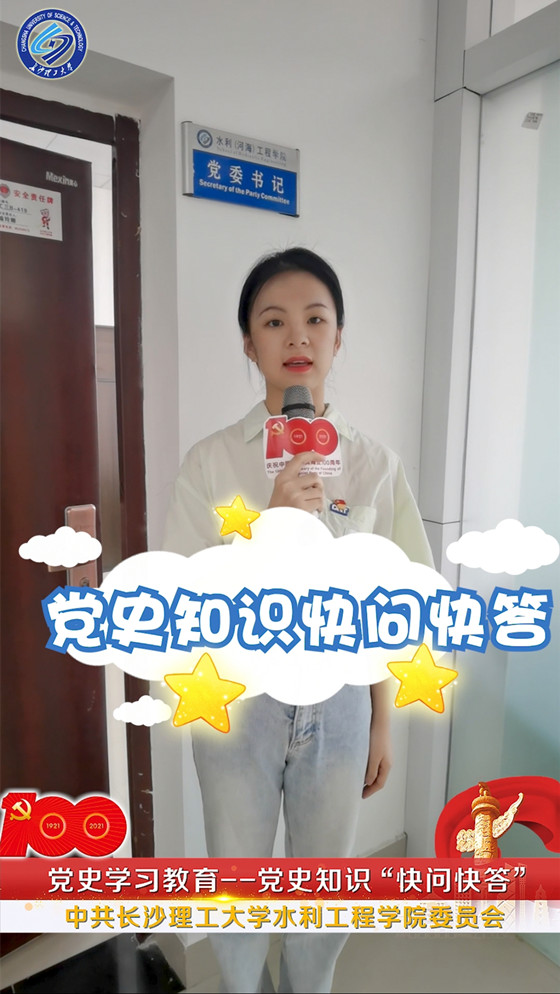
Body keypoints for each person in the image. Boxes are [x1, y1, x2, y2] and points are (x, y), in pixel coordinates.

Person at [163, 247, 433, 994]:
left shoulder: (375, 465)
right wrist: (267, 529)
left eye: (315, 319)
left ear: (338, 337)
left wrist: (381, 720)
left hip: (341, 703)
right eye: (274, 321)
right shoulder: (211, 463)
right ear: (249, 344)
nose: (297, 337)